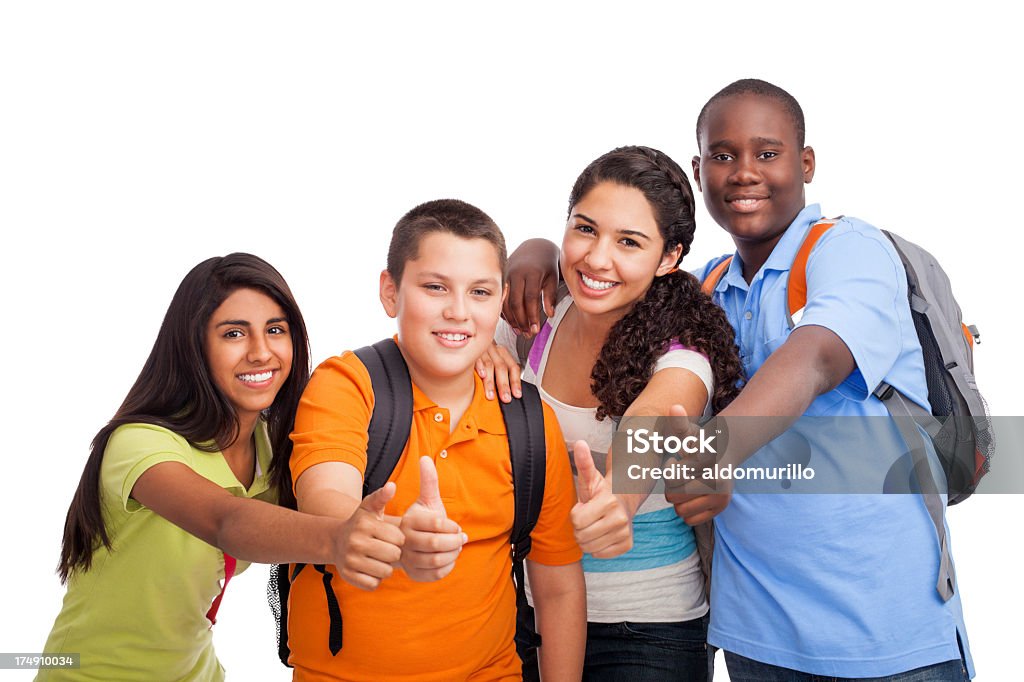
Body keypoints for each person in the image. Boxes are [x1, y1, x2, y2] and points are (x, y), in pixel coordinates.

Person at [504, 80, 974, 680]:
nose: (744, 172)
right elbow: (621, 270)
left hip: (882, 631)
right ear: (700, 171)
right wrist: (536, 251)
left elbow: (813, 361)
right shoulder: (703, 291)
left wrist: (705, 455)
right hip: (754, 631)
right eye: (723, 156)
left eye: (768, 153)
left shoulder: (848, 250)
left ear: (806, 163)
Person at [40, 253, 385, 681]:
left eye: (275, 330)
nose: (261, 353)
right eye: (234, 333)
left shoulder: (274, 448)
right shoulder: (139, 443)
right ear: (194, 345)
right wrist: (339, 540)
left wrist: (487, 354)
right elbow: (225, 521)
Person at [284, 199, 586, 681]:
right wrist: (381, 535)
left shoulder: (529, 420)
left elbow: (558, 587)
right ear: (390, 292)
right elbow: (325, 500)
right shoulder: (347, 384)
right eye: (434, 287)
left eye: (480, 292)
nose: (458, 312)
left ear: (501, 300)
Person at [492, 146, 743, 681]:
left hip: (647, 628)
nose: (597, 258)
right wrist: (479, 351)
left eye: (629, 242)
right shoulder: (538, 321)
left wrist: (619, 501)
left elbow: (653, 417)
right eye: (585, 229)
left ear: (669, 257)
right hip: (528, 613)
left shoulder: (683, 352)